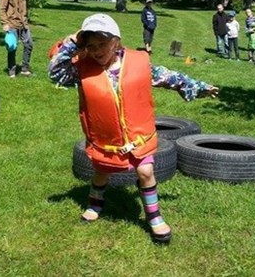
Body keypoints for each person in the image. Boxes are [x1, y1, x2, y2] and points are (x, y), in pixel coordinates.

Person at [48, 13, 219, 243]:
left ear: (115, 41)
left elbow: (169, 77)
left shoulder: (139, 63)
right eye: (91, 46)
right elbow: (55, 72)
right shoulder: (82, 69)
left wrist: (196, 86)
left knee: (145, 172)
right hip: (105, 137)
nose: (97, 51)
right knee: (102, 171)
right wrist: (73, 41)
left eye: (102, 44)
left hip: (139, 136)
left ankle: (154, 217)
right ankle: (95, 204)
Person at [0, 0, 34, 78]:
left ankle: (24, 68)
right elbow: (2, 7)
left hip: (23, 22)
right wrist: (5, 23)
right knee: (12, 47)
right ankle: (12, 71)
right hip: (11, 23)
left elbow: (24, 4)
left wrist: (26, 19)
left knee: (29, 44)